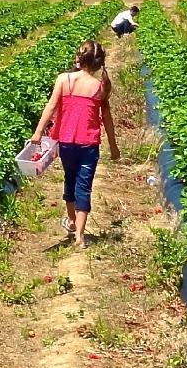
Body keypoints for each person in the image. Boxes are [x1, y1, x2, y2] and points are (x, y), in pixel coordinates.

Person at [30, 39, 121, 249]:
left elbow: (51, 107)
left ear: (80, 58)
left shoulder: (64, 80)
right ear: (98, 63)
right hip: (89, 144)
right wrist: (114, 147)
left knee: (70, 180)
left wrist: (37, 133)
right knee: (84, 186)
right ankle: (79, 234)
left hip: (67, 142)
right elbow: (107, 119)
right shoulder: (99, 87)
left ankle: (72, 222)